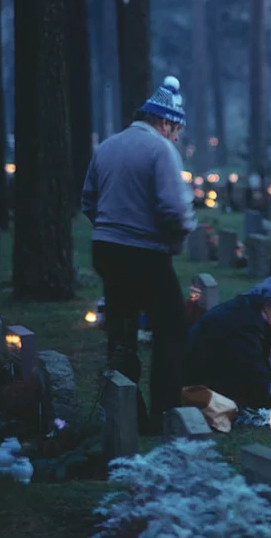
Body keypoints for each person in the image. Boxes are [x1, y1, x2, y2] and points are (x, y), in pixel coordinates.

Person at [81, 76, 197, 433]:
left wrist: (111, 226)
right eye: (176, 130)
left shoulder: (107, 147)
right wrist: (177, 237)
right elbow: (174, 208)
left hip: (107, 249)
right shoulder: (160, 150)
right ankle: (166, 409)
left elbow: (88, 200)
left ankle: (126, 408)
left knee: (122, 328)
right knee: (172, 328)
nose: (176, 137)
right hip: (144, 252)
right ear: (165, 122)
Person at [185, 276, 271, 410]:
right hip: (203, 385)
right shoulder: (243, 325)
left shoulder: (245, 309)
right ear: (267, 305)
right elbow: (250, 372)